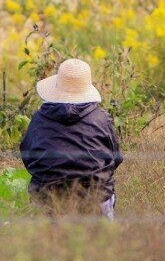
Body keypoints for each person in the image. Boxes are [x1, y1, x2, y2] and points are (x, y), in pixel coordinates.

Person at [20, 58, 123, 219]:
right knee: (101, 242)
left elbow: (27, 156)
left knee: (45, 242)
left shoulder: (39, 118)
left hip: (47, 199)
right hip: (96, 198)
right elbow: (115, 158)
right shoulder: (102, 117)